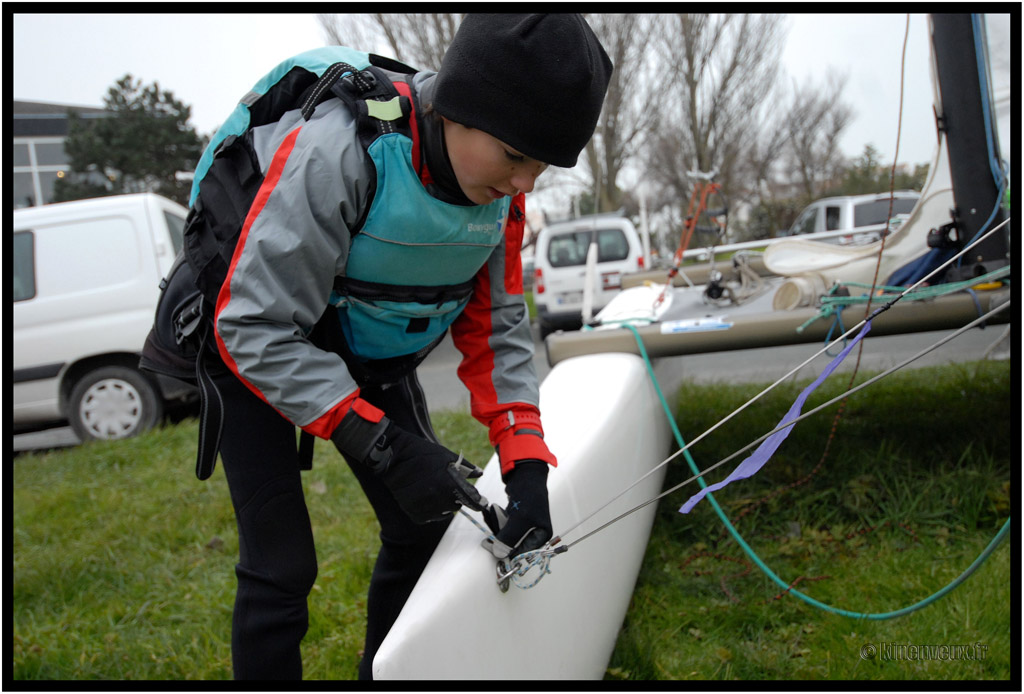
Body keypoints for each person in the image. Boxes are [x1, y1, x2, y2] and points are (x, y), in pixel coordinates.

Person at [146, 13, 612, 680]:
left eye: (542, 167)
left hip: (362, 342)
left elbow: (499, 330)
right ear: (460, 107)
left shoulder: (499, 199)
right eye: (516, 157)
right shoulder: (341, 151)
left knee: (425, 527)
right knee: (282, 567)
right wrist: (382, 443)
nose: (525, 187)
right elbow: (252, 327)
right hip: (247, 338)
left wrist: (527, 468)